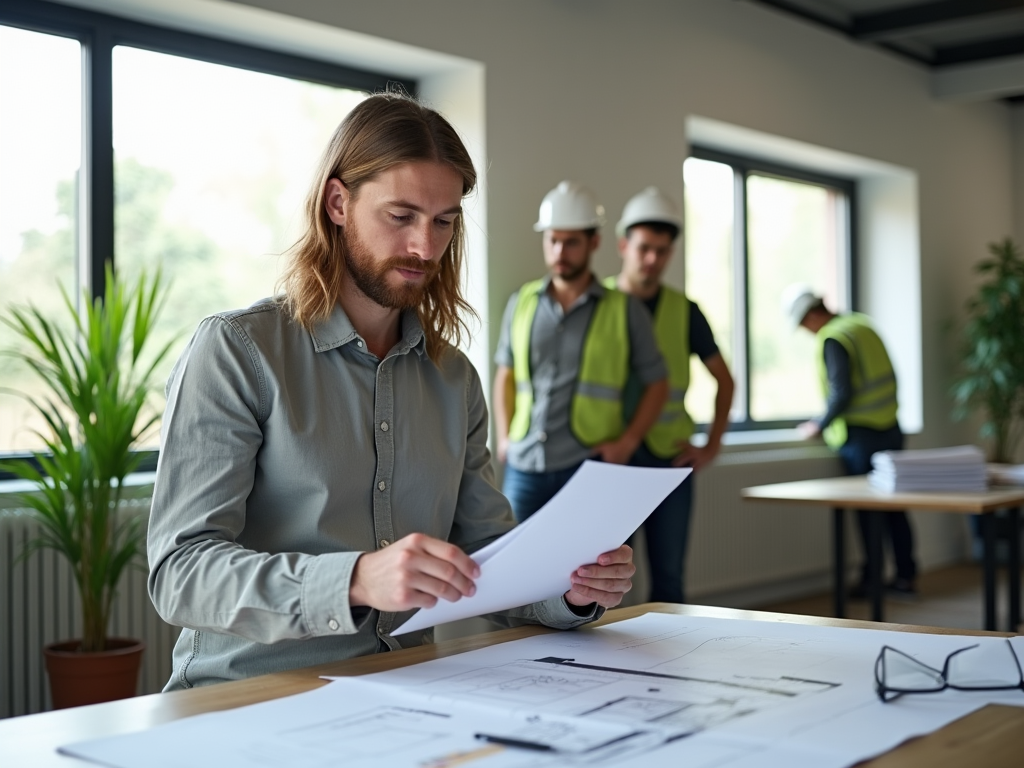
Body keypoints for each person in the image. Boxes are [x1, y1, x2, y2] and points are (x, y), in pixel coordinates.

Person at [147, 94, 635, 690]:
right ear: (337, 203)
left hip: (404, 694)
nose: (425, 248)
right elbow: (180, 573)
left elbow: (490, 555)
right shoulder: (236, 353)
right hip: (248, 699)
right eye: (401, 216)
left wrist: (568, 587)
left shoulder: (454, 380)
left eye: (444, 221)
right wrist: (354, 580)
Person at [493, 181, 669, 522]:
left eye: (571, 242)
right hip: (525, 462)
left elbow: (657, 383)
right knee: (518, 570)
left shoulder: (625, 309)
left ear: (594, 242)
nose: (560, 252)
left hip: (590, 466)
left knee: (590, 573)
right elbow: (506, 373)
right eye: (552, 240)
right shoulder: (522, 302)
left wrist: (628, 443)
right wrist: (504, 438)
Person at [608, 187, 734, 604]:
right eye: (644, 248)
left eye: (662, 251)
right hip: (612, 461)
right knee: (601, 582)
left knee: (669, 582)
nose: (651, 260)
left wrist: (712, 445)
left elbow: (725, 379)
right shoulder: (598, 304)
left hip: (669, 460)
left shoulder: (685, 311)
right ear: (624, 245)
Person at [782, 284, 917, 599]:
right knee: (896, 507)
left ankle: (871, 580)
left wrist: (820, 424)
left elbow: (841, 391)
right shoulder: (861, 324)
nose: (806, 331)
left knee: (866, 511)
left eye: (803, 325)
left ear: (812, 314)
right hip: (891, 427)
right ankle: (905, 577)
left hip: (861, 436)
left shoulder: (834, 337)